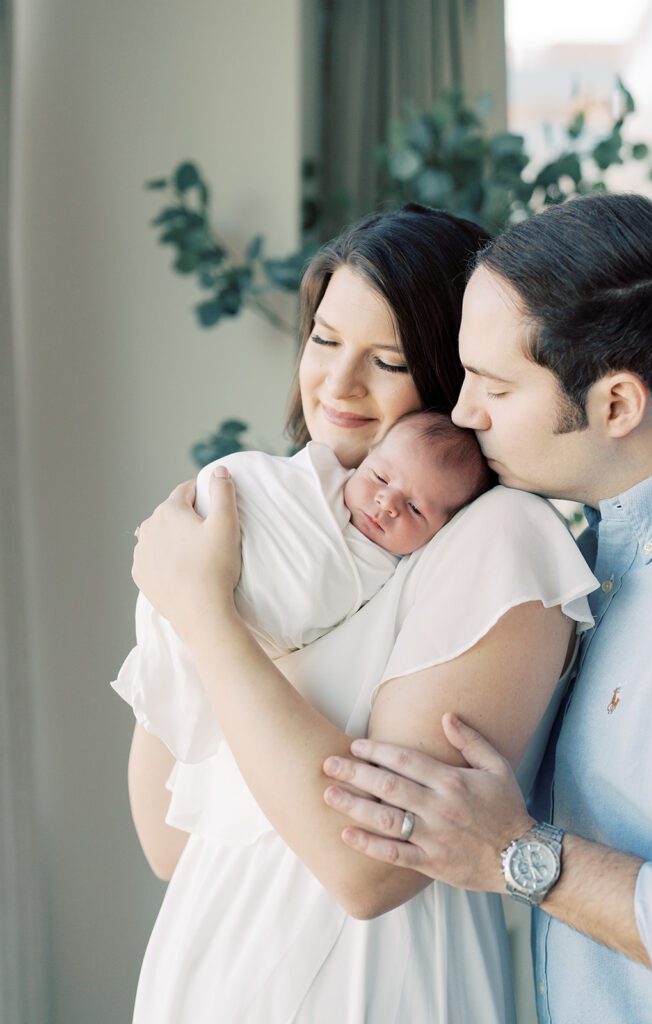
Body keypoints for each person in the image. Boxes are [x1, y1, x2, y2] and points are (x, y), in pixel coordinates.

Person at [124, 204, 598, 1022]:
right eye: (324, 340)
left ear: (457, 375)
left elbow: (370, 869)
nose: (338, 386)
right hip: (208, 968)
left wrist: (203, 612)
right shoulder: (261, 520)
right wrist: (193, 607)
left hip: (370, 982)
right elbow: (169, 845)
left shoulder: (499, 539)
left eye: (386, 359)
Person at [321, 193, 652, 1024]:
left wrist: (524, 856)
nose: (460, 412)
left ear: (617, 406)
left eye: (492, 385)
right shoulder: (591, 546)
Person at [113, 410, 492, 763]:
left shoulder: (392, 574)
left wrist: (205, 600)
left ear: (443, 529)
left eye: (415, 509)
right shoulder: (313, 481)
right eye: (380, 477)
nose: (387, 503)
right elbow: (250, 487)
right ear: (368, 458)